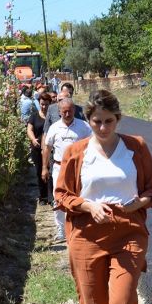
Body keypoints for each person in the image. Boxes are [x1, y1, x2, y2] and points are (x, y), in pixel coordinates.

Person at [54, 89, 152, 304]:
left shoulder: (136, 148)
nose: (103, 127)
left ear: (118, 119)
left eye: (109, 121)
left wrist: (136, 203)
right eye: (97, 121)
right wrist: (88, 206)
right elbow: (61, 194)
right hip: (86, 235)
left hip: (128, 231)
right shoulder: (76, 152)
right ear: (87, 120)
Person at [42, 98, 92, 242]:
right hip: (59, 167)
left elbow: (94, 145)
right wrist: (44, 168)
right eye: (64, 111)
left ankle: (79, 227)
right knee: (58, 198)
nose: (67, 113)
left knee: (80, 196)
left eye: (70, 110)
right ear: (59, 112)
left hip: (80, 168)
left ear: (74, 110)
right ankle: (61, 230)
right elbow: (47, 147)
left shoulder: (84, 127)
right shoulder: (54, 128)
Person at [27, 92, 52, 204]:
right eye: (42, 104)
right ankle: (42, 196)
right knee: (39, 172)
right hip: (37, 149)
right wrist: (33, 139)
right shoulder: (34, 116)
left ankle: (51, 196)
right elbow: (29, 129)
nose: (44, 107)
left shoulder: (53, 117)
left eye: (46, 104)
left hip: (50, 149)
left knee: (50, 171)